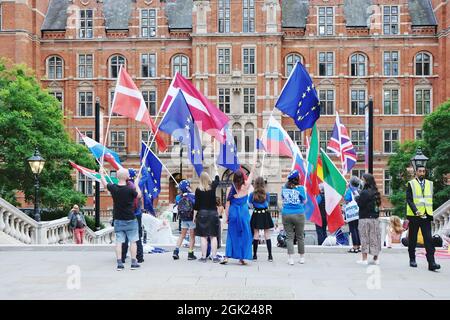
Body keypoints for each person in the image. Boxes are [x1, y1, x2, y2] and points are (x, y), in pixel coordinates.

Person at [100, 168, 141, 271]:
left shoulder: (114, 188)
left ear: (117, 177)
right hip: (130, 219)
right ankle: (133, 262)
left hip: (118, 219)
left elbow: (105, 184)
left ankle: (119, 264)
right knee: (133, 241)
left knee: (119, 241)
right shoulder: (130, 190)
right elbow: (139, 195)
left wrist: (101, 174)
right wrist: (136, 183)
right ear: (127, 177)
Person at [221, 153, 257, 265]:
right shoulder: (246, 186)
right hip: (244, 212)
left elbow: (227, 205)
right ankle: (242, 258)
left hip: (233, 213)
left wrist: (226, 216)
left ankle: (226, 257)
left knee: (231, 235)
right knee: (245, 235)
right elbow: (251, 173)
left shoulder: (229, 189)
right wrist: (254, 163)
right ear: (242, 178)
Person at [406, 165, 440, 271]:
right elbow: (409, 199)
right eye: (419, 171)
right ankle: (412, 259)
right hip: (414, 215)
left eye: (423, 171)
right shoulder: (411, 184)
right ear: (416, 172)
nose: (421, 173)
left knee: (428, 239)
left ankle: (431, 262)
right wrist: (416, 210)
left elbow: (430, 198)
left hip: (426, 215)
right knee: (413, 238)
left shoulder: (430, 184)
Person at [281, 170, 307, 265]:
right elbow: (304, 201)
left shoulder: (284, 188)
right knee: (300, 236)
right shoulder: (301, 188)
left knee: (289, 236)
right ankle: (302, 257)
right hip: (299, 213)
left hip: (287, 213)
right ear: (297, 179)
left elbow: (283, 200)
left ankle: (290, 258)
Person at [194, 171, 221, 263]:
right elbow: (217, 180)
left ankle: (203, 257)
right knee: (213, 236)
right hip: (213, 213)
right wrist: (216, 171)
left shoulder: (198, 190)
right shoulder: (212, 187)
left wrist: (194, 217)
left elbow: (196, 205)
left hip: (202, 214)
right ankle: (214, 257)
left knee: (203, 236)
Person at [355, 173, 381, 265]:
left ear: (366, 181)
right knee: (375, 238)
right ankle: (376, 258)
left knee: (364, 237)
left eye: (363, 179)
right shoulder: (376, 192)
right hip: (374, 218)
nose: (362, 181)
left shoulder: (364, 192)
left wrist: (357, 198)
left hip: (364, 217)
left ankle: (364, 259)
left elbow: (360, 204)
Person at [121, 169, 144, 264]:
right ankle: (140, 257)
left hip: (125, 214)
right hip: (136, 214)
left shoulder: (122, 186)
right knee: (137, 236)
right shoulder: (136, 186)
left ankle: (122, 257)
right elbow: (139, 196)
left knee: (124, 236)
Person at [249, 176, 274, 261]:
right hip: (265, 214)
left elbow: (249, 204)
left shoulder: (252, 194)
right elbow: (268, 203)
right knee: (267, 234)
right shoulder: (266, 193)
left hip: (256, 213)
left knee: (256, 234)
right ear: (263, 184)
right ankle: (270, 256)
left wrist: (255, 205)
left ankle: (255, 256)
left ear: (255, 184)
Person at [172, 180, 197, 261]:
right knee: (192, 237)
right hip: (191, 218)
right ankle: (190, 253)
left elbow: (176, 205)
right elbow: (195, 205)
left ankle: (176, 251)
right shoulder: (192, 195)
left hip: (183, 218)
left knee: (182, 235)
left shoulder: (178, 197)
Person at [344, 176, 362, 253]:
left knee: (353, 229)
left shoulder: (349, 191)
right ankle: (358, 246)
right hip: (358, 212)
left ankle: (355, 246)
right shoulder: (359, 190)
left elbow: (346, 200)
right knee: (357, 229)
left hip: (351, 214)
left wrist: (346, 189)